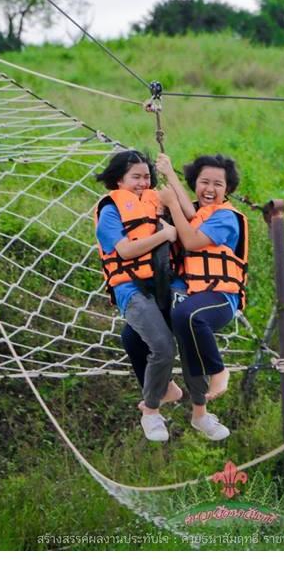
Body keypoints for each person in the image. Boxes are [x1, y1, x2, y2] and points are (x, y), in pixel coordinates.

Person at [156, 153, 248, 442]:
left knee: (187, 315)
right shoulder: (200, 213)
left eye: (218, 184)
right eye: (203, 182)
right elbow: (189, 211)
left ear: (228, 189)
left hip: (220, 297)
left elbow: (192, 239)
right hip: (195, 293)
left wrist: (171, 204)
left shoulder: (225, 217)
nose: (210, 189)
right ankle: (194, 411)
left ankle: (219, 371)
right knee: (169, 336)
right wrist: (169, 172)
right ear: (195, 184)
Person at [94, 150, 184, 442]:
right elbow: (126, 251)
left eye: (147, 177)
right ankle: (151, 410)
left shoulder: (155, 202)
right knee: (163, 347)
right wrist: (164, 234)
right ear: (119, 180)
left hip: (163, 283)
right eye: (136, 177)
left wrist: (169, 173)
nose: (143, 183)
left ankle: (178, 390)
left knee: (189, 321)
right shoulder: (111, 211)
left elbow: (188, 213)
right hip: (130, 288)